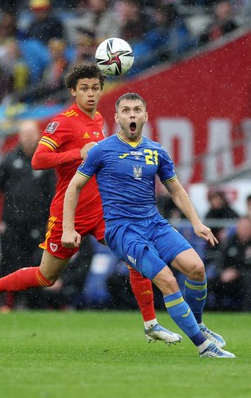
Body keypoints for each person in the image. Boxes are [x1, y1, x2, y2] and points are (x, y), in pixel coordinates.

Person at [0, 63, 180, 345]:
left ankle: (151, 323)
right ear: (73, 91)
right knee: (46, 276)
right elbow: (39, 160)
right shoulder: (63, 121)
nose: (91, 94)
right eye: (84, 89)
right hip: (69, 212)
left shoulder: (98, 120)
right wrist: (76, 154)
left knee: (135, 254)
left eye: (95, 88)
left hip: (101, 210)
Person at [61, 92, 235, 358]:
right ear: (117, 117)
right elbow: (74, 187)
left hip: (154, 223)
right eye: (127, 110)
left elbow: (176, 190)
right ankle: (203, 346)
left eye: (137, 110)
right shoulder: (101, 151)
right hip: (122, 230)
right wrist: (68, 228)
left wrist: (197, 222)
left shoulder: (156, 151)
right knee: (166, 280)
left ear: (145, 116)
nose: (132, 114)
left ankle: (198, 324)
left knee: (197, 269)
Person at [0, 119, 55, 310]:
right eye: (25, 134)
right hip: (12, 221)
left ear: (39, 135)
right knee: (7, 260)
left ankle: (28, 302)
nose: (28, 137)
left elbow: (53, 192)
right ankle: (2, 301)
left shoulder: (44, 161)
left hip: (37, 223)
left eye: (31, 133)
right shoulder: (9, 159)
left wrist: (52, 218)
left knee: (34, 262)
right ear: (19, 136)